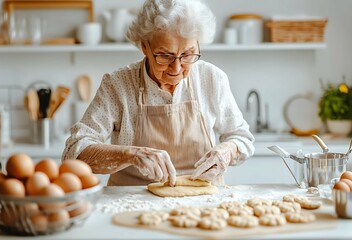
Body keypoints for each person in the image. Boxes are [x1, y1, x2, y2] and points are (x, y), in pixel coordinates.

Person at [62, 0, 255, 186]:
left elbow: (241, 136)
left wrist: (227, 151)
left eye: (188, 54)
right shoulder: (118, 84)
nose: (177, 68)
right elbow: (74, 151)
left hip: (201, 202)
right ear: (145, 46)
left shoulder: (212, 79)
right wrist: (131, 155)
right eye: (165, 55)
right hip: (132, 201)